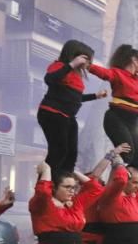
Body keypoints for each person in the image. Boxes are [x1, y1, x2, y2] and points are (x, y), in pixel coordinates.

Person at [88, 44, 138, 168]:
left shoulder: (137, 80)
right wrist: (88, 66)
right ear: (134, 60)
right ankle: (113, 173)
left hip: (133, 121)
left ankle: (129, 183)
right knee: (127, 153)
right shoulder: (117, 73)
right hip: (117, 118)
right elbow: (104, 73)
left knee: (136, 159)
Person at [38, 40, 106, 173]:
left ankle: (64, 182)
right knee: (58, 151)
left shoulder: (75, 74)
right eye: (87, 60)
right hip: (53, 113)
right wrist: (71, 64)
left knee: (71, 153)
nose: (88, 64)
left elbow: (74, 98)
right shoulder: (59, 66)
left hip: (67, 116)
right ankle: (46, 185)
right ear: (76, 56)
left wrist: (95, 96)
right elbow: (50, 79)